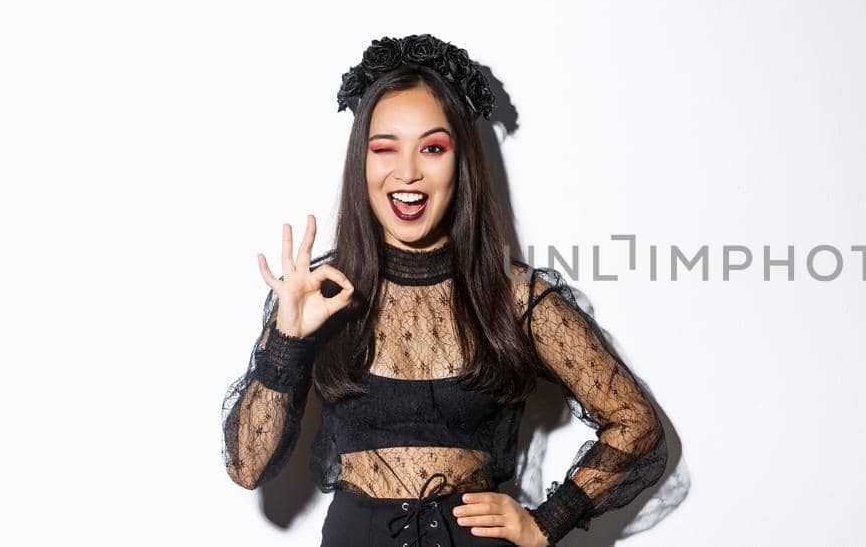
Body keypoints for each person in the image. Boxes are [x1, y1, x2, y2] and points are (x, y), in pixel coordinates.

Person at [220, 34, 669, 547]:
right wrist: (287, 341)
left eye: (432, 148)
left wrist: (550, 519)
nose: (407, 172)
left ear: (461, 164)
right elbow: (246, 466)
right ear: (360, 164)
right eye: (384, 149)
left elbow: (635, 423)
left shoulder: (514, 296)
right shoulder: (322, 291)